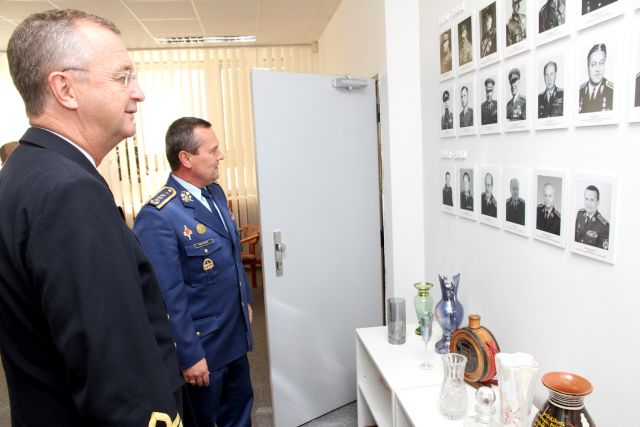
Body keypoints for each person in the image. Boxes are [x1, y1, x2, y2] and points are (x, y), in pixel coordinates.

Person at [0, 9, 184, 425]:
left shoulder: (26, 171)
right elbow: (117, 376)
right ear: (65, 89)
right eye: (123, 77)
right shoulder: (69, 192)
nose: (138, 93)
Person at [134, 117, 254, 427]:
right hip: (203, 349)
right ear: (186, 158)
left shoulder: (214, 194)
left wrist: (245, 301)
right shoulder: (159, 216)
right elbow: (166, 297)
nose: (221, 156)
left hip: (234, 335)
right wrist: (189, 355)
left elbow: (231, 256)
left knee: (240, 415)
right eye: (212, 150)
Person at [578, 43, 613, 113]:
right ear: (588, 68)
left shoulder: (611, 91)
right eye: (593, 64)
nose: (598, 69)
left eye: (601, 63)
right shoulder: (580, 91)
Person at [575, 185, 609, 249]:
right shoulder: (580, 214)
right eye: (586, 199)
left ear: (598, 202)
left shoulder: (604, 226)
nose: (588, 203)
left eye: (592, 200)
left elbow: (601, 252)